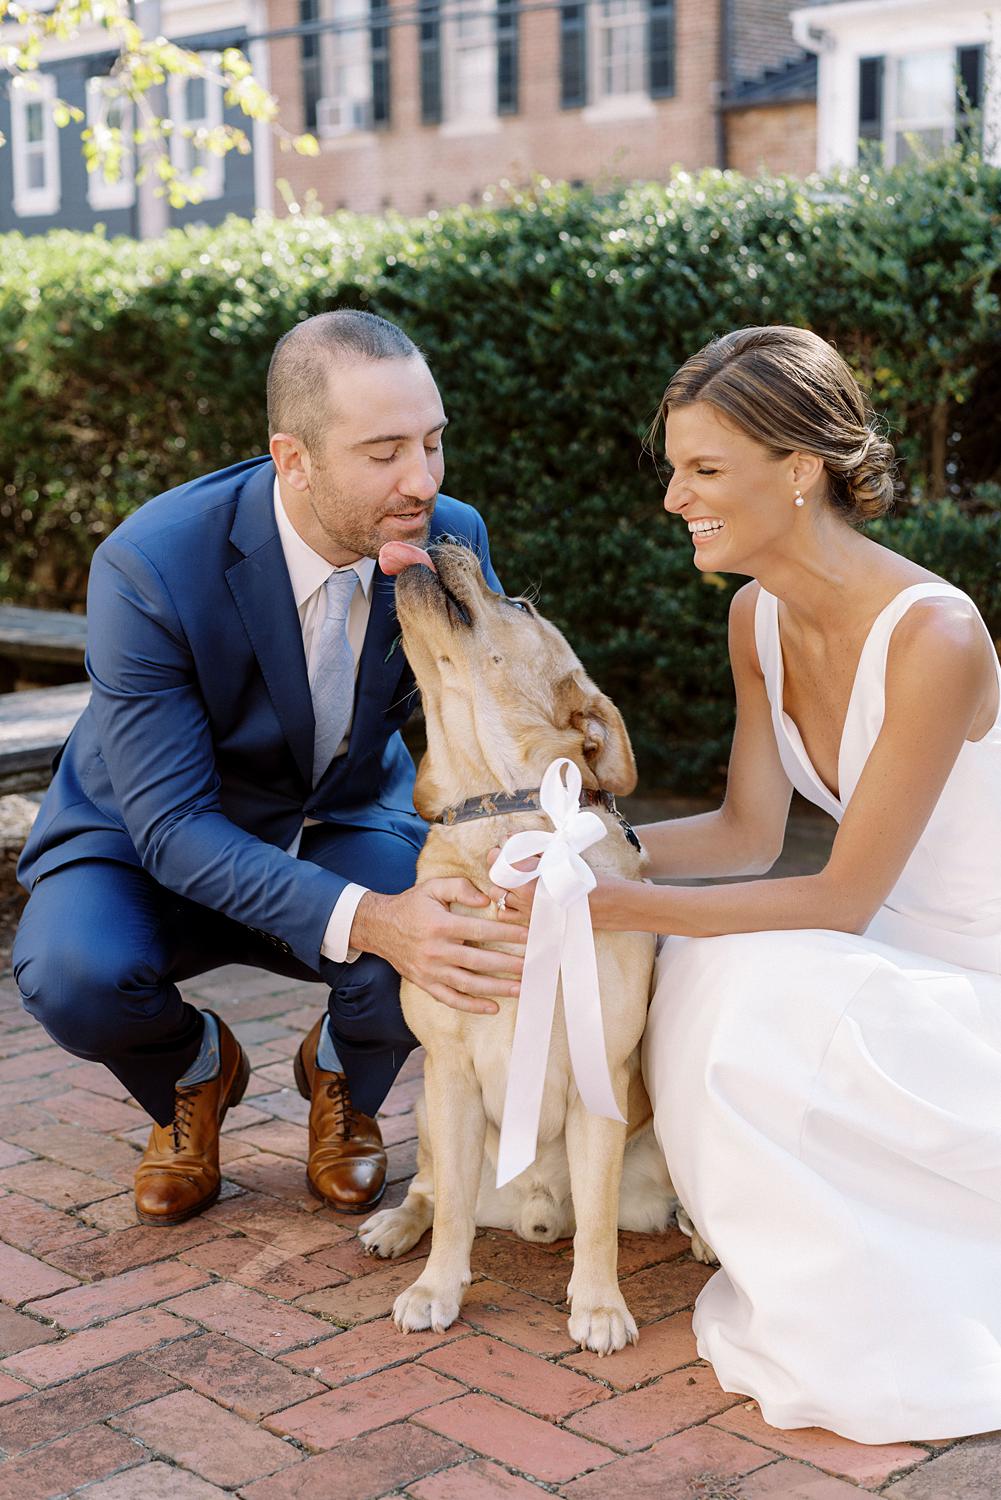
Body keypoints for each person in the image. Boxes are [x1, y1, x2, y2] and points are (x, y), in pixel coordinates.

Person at [493, 325, 1001, 1444]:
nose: (674, 497)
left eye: (703, 471)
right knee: (704, 962)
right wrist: (570, 845)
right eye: (674, 469)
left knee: (730, 973)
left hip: (965, 984)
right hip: (874, 962)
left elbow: (835, 900)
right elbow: (740, 834)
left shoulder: (935, 636)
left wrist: (617, 904)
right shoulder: (753, 615)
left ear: (798, 471)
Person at [13, 309, 524, 1227]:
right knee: (74, 975)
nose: (422, 482)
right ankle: (195, 1071)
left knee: (454, 928)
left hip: (333, 819)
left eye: (433, 442)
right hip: (142, 838)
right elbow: (172, 829)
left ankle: (342, 1074)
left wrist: (549, 835)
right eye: (383, 453)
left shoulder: (449, 533)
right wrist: (374, 919)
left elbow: (469, 717)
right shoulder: (150, 564)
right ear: (292, 458)